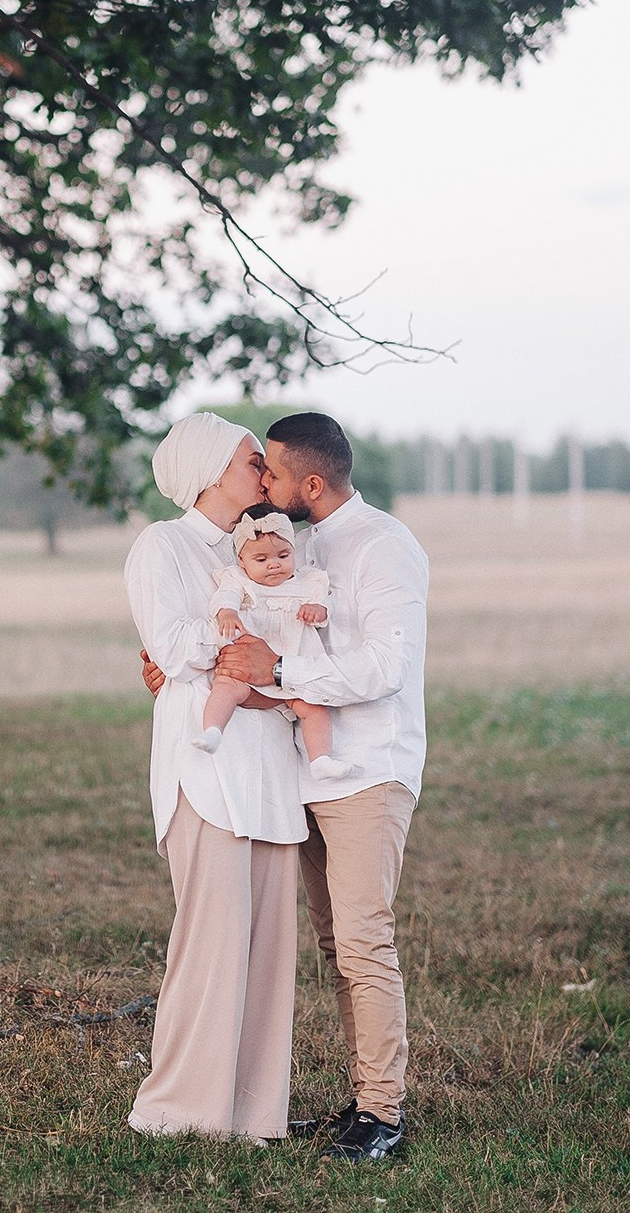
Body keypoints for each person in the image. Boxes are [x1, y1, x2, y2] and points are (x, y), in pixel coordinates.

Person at [143, 411, 428, 1164]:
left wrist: (276, 674)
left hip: (367, 768)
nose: (261, 482)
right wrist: (188, 668)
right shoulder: (289, 540)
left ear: (309, 481)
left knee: (365, 941)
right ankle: (360, 1100)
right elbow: (222, 623)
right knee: (335, 942)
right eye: (253, 467)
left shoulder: (384, 546)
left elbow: (383, 668)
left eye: (269, 471)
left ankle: (383, 1114)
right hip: (297, 770)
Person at [124, 412, 308, 1142]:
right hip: (204, 771)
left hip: (271, 766)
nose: (264, 472)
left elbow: (298, 641)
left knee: (268, 953)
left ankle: (254, 1114)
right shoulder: (161, 547)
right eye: (251, 460)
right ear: (208, 469)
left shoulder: (269, 546)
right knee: (210, 946)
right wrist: (237, 633)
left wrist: (264, 640)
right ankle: (178, 1111)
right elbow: (168, 648)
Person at [196, 504, 353, 785]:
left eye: (283, 555)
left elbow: (324, 605)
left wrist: (318, 610)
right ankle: (212, 731)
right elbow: (224, 598)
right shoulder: (239, 580)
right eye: (261, 559)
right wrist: (228, 612)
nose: (274, 564)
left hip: (293, 669)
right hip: (251, 666)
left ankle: (320, 760)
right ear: (242, 561)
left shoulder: (309, 581)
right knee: (226, 688)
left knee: (315, 708)